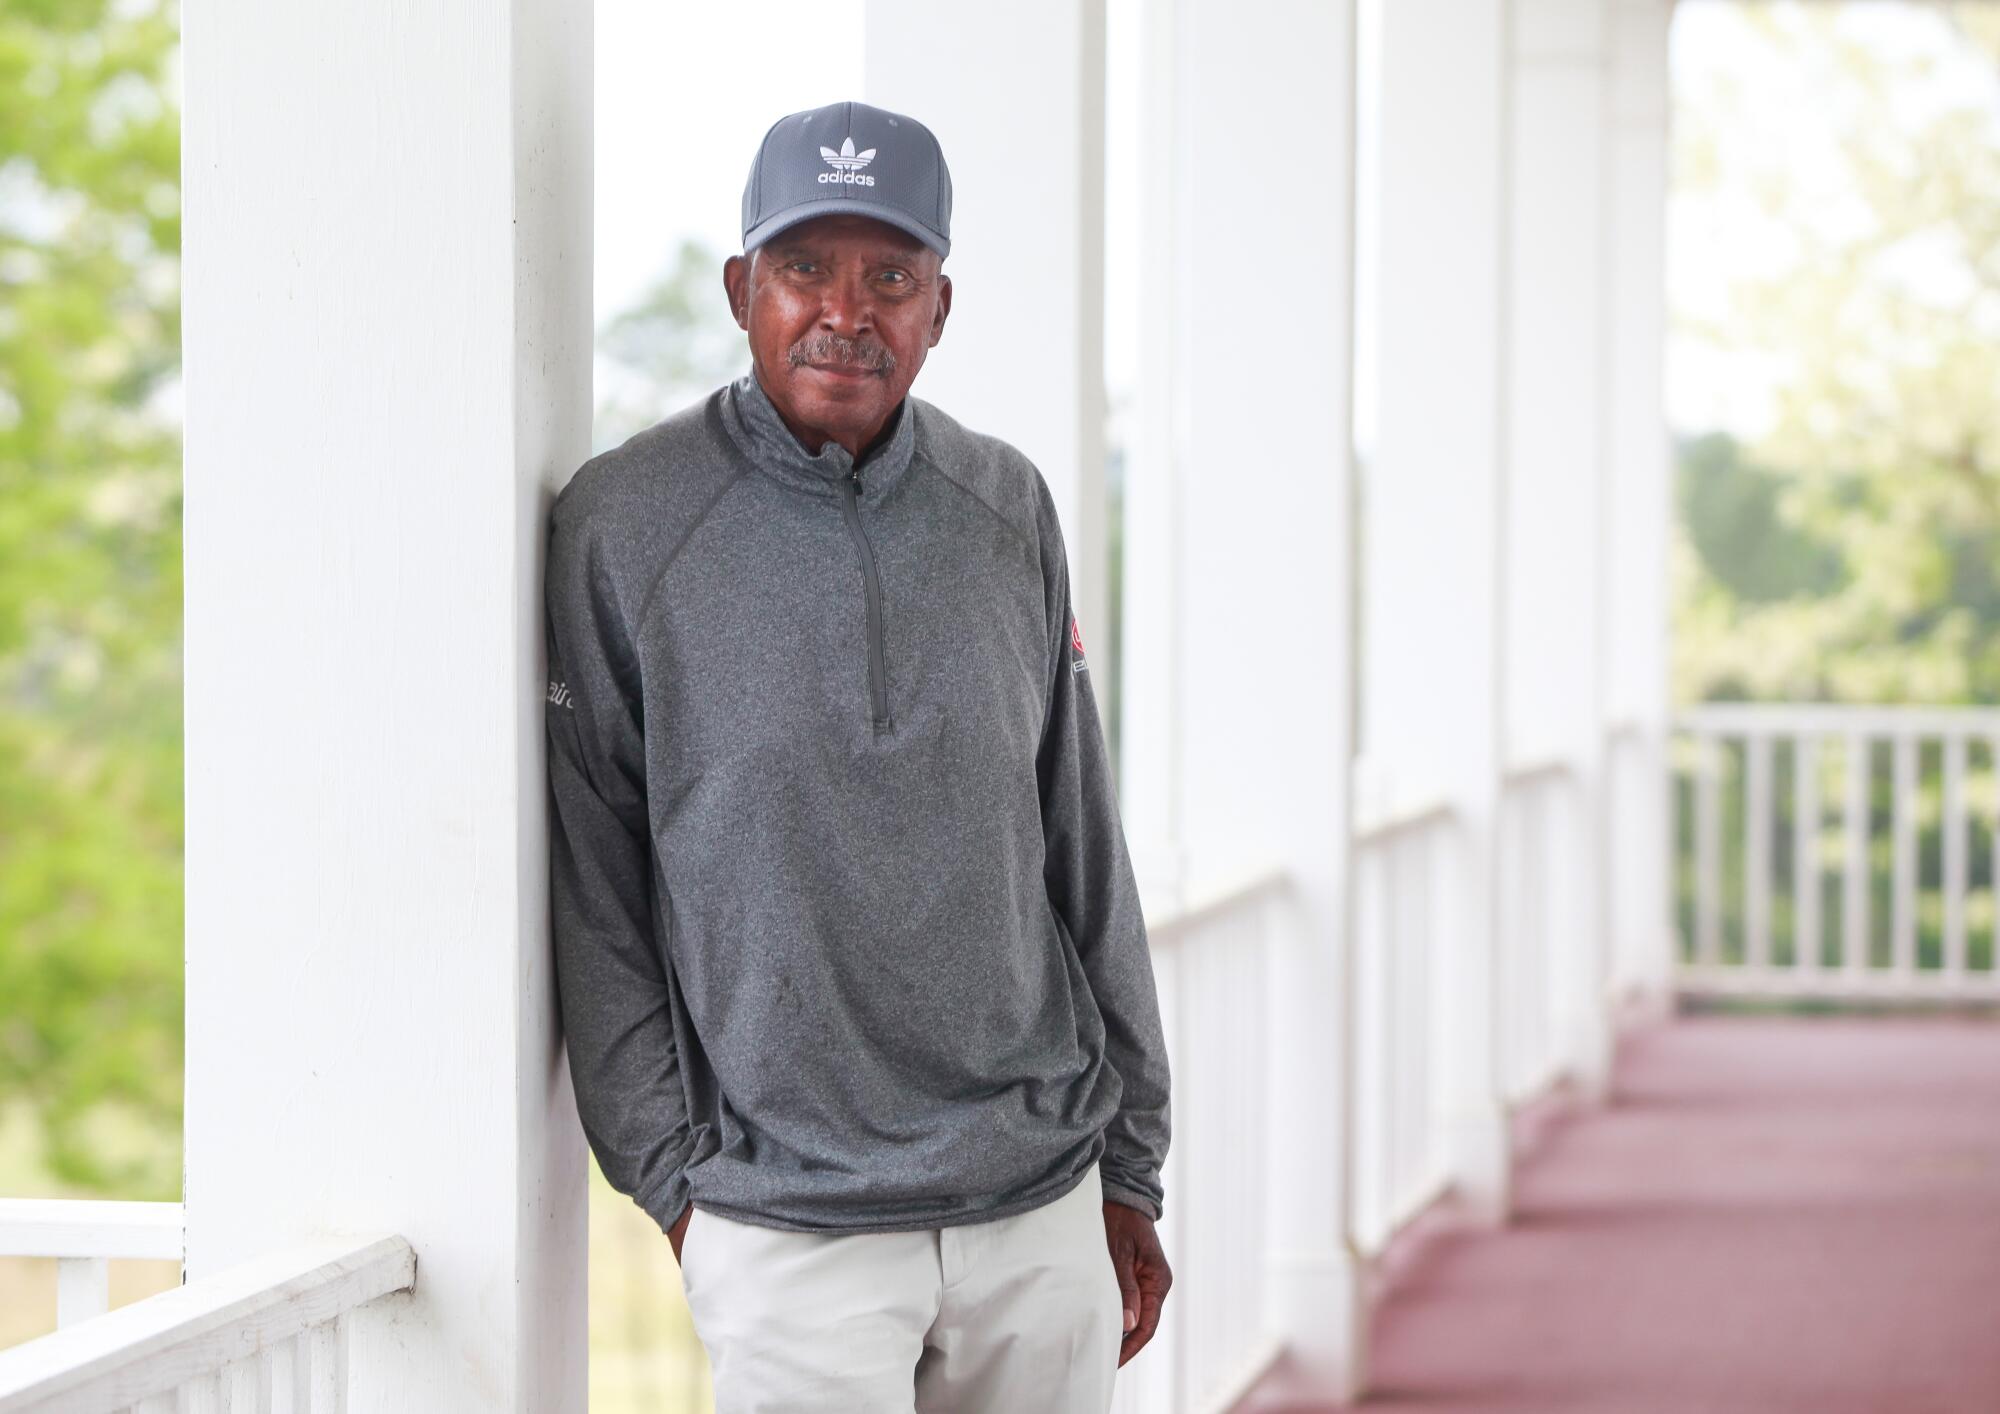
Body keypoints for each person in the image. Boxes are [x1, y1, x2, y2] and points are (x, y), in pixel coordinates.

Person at [544, 98, 1173, 1412]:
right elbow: (596, 874)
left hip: (1037, 1198)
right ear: (741, 289)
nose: (849, 311)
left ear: (940, 306)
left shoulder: (1008, 508)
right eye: (804, 270)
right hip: (788, 1229)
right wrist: (677, 1182)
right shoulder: (625, 527)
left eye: (891, 276)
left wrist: (1128, 1161)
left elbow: (1078, 836)